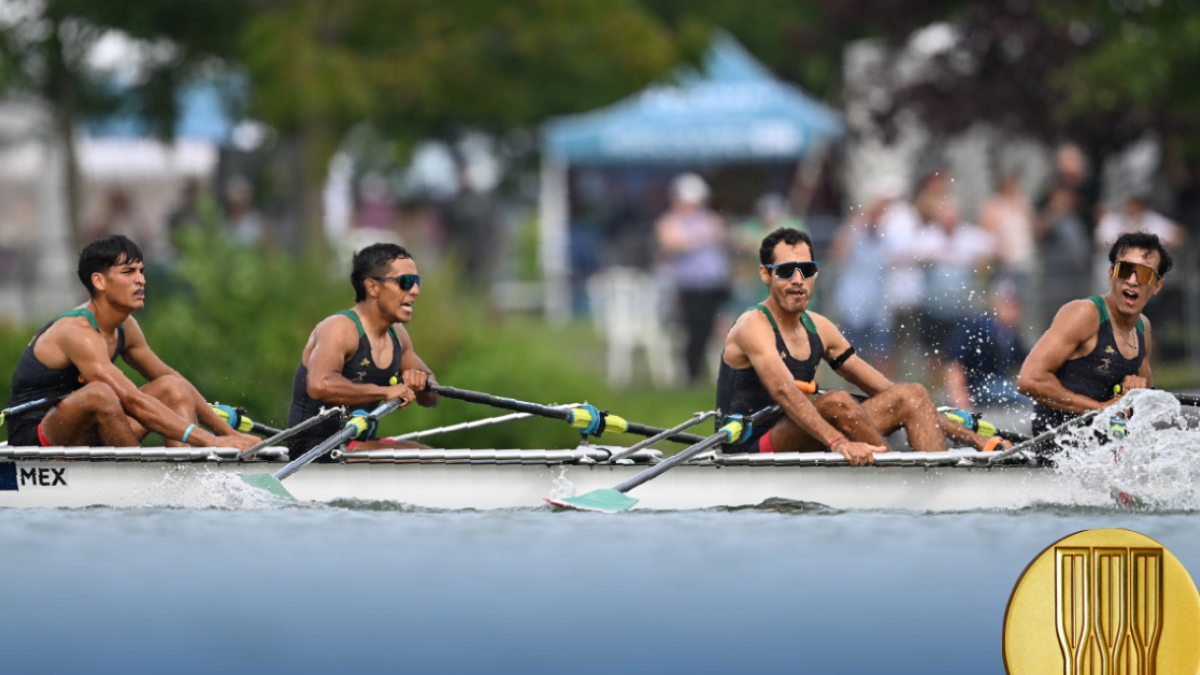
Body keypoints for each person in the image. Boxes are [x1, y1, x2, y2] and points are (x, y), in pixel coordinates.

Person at [716, 228, 1008, 465]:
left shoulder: (820, 327)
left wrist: (975, 439)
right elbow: (784, 392)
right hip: (753, 444)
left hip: (809, 432)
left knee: (912, 394)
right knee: (835, 401)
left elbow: (885, 390)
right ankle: (898, 475)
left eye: (806, 270)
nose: (798, 280)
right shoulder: (752, 325)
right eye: (785, 271)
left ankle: (938, 478)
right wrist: (839, 442)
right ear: (765, 275)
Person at [5, 236, 259, 451]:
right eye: (128, 272)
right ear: (99, 281)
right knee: (101, 393)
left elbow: (174, 381)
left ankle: (187, 476)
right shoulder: (77, 332)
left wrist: (230, 436)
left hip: (93, 429)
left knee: (173, 387)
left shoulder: (127, 327)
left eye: (141, 271)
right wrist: (211, 440)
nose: (141, 280)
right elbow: (132, 401)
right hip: (37, 436)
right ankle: (136, 472)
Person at [287, 243, 441, 456]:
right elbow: (319, 385)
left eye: (417, 282)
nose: (415, 290)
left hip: (358, 444)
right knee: (423, 464)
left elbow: (433, 396)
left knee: (434, 458)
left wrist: (422, 383)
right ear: (373, 287)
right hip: (313, 449)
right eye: (406, 282)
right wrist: (384, 391)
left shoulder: (398, 335)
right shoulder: (339, 329)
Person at [1017, 231, 1172, 434]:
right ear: (1111, 275)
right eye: (1125, 269)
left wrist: (1134, 394)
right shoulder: (1084, 313)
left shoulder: (1144, 328)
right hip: (1057, 451)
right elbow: (1029, 380)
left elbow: (1142, 409)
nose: (1132, 281)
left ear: (1157, 286)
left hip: (1105, 450)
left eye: (1144, 274)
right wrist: (1101, 409)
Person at [655, 173, 730, 384]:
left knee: (717, 327)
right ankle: (691, 374)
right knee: (696, 329)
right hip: (691, 285)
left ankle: (726, 372)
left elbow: (721, 233)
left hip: (713, 284)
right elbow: (672, 244)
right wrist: (702, 237)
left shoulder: (708, 218)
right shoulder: (670, 221)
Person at [829, 177, 896, 376]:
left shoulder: (887, 233)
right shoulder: (854, 231)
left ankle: (885, 392)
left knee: (882, 350)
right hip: (854, 301)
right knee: (852, 352)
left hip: (878, 301)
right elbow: (838, 253)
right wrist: (855, 225)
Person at [945, 280, 1030, 409]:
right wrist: (958, 393)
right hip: (978, 387)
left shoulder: (1010, 333)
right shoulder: (976, 328)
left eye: (1015, 306)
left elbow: (1026, 359)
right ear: (995, 305)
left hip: (1001, 384)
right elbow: (955, 363)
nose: (1012, 311)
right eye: (1007, 305)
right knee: (1024, 396)